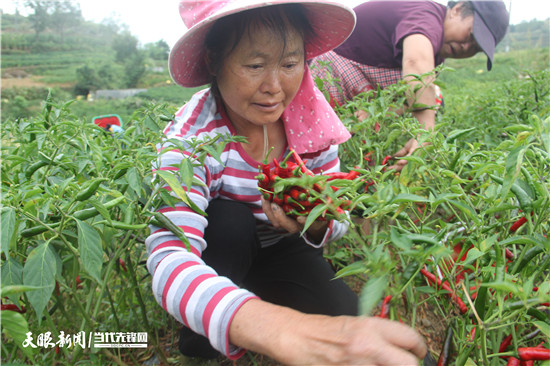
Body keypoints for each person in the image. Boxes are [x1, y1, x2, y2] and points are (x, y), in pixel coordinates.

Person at [145, 0, 427, 364]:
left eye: (290, 63)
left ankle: (258, 298)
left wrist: (317, 221)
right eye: (256, 65)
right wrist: (276, 327)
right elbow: (169, 257)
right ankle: (203, 344)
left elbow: (336, 210)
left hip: (285, 247)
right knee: (230, 221)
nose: (275, 86)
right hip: (221, 252)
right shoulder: (192, 141)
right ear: (214, 61)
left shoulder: (311, 120)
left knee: (346, 320)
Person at [311, 0, 510, 171]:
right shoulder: (426, 16)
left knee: (321, 160)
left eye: (475, 48)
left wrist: (376, 114)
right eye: (470, 36)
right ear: (457, 10)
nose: (466, 47)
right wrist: (426, 130)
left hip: (347, 104)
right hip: (325, 77)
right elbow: (416, 65)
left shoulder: (436, 57)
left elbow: (406, 98)